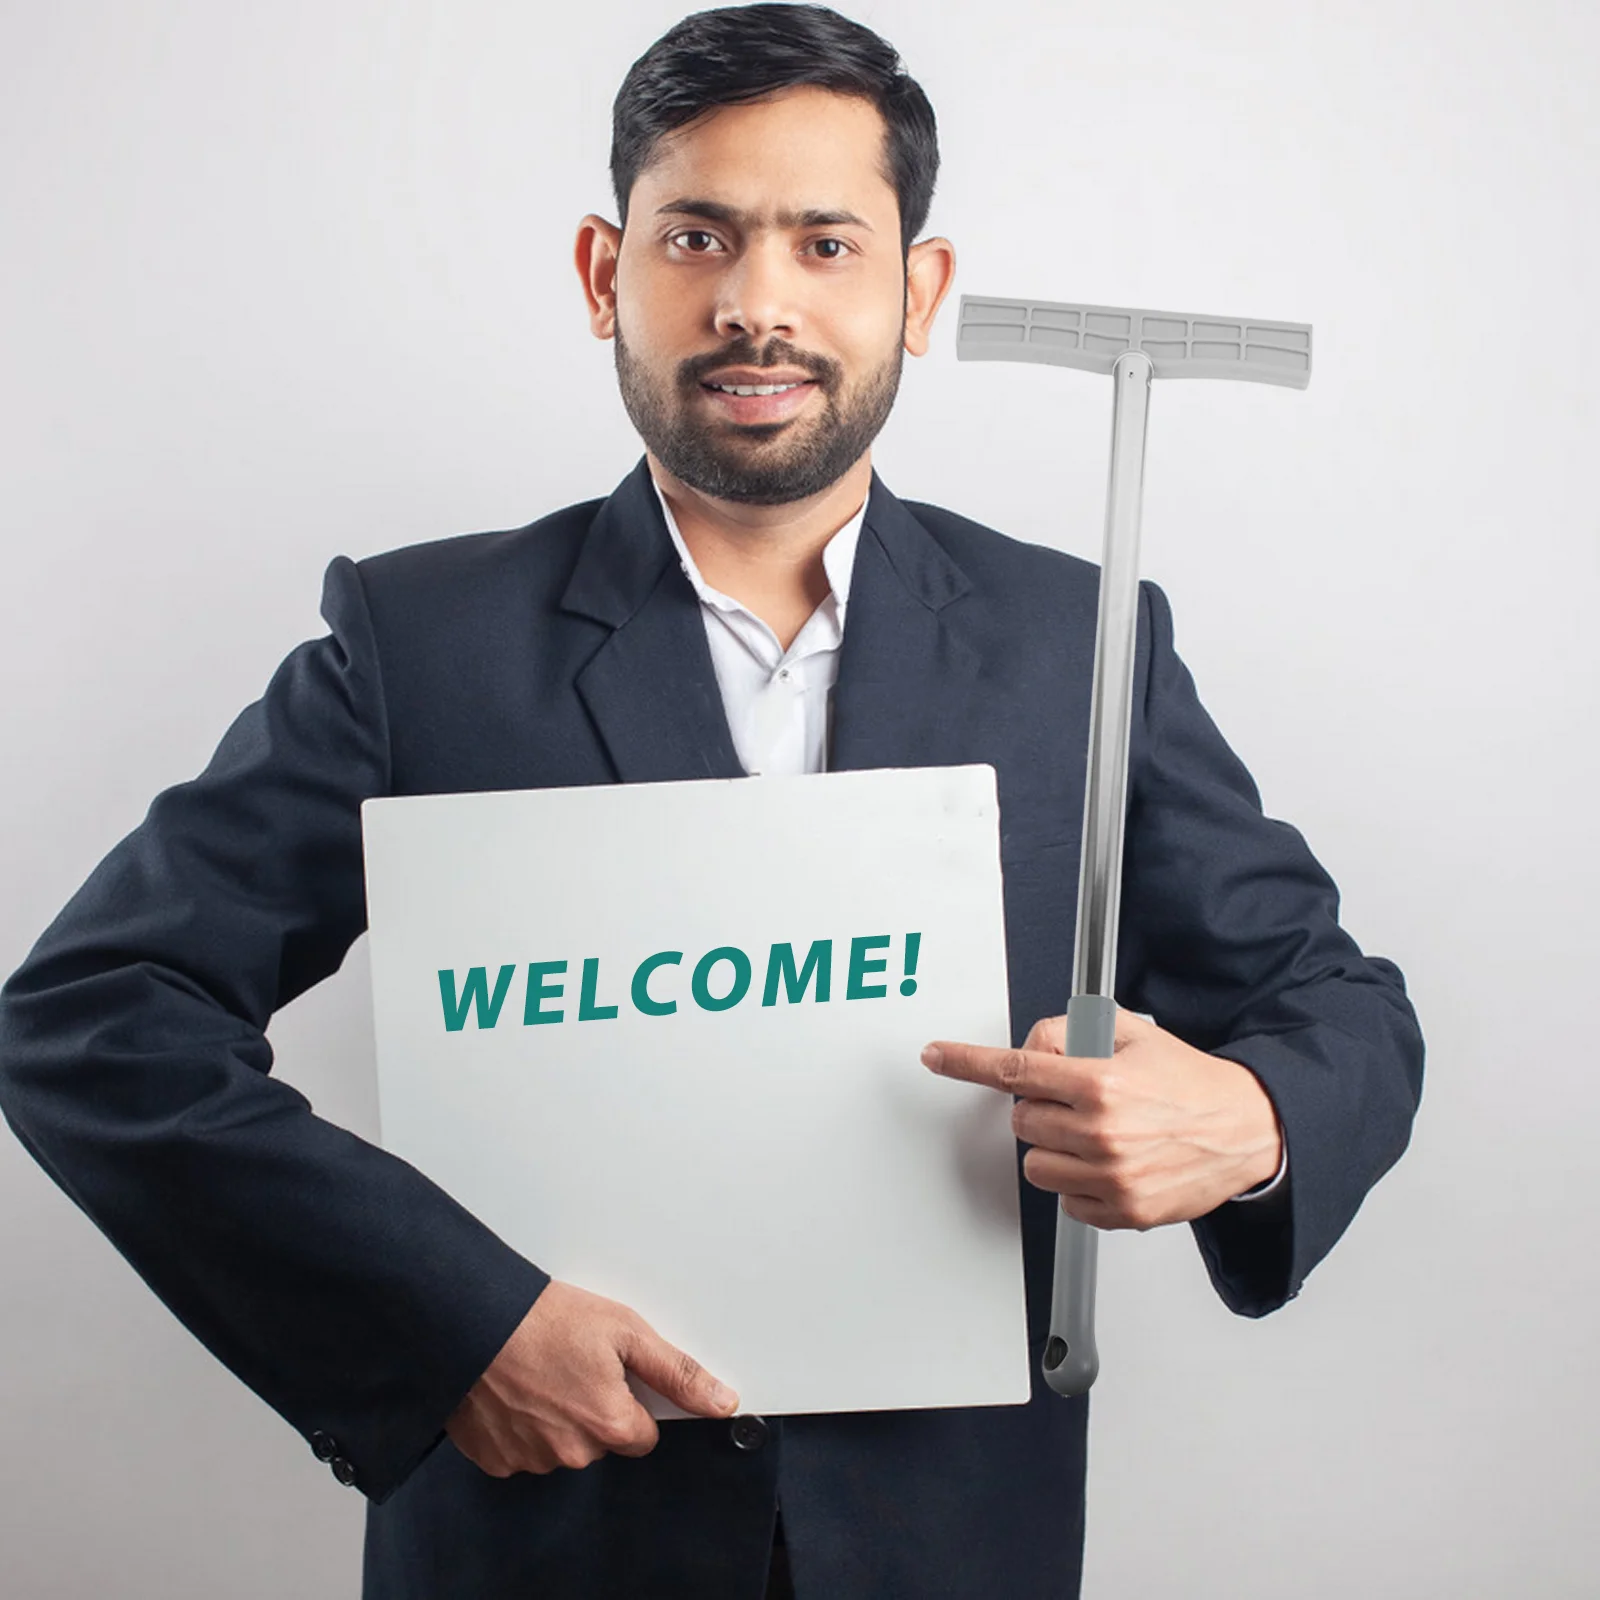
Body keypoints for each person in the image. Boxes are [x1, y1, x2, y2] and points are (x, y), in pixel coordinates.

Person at [0, 6, 1424, 1598]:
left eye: (827, 242)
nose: (759, 303)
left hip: (949, 1548)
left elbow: (1333, 1004)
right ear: (608, 272)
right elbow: (94, 1015)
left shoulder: (1074, 644)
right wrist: (459, 1322)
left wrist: (1254, 1121)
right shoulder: (420, 645)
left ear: (919, 289)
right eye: (700, 236)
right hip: (547, 1545)